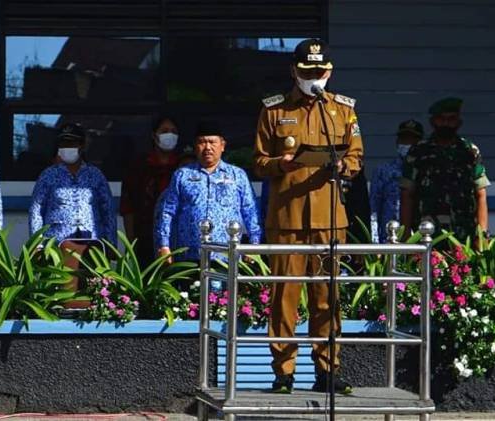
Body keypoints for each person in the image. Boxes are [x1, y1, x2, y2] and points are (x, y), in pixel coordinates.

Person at [254, 38, 363, 394]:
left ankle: (327, 370)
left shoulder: (343, 110)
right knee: (284, 297)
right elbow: (258, 161)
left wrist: (342, 165)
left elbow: (357, 158)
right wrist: (280, 163)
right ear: (293, 71)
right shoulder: (273, 110)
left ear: (329, 71)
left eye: (319, 71)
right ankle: (283, 373)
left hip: (329, 218)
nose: (314, 77)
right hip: (286, 219)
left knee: (327, 297)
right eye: (307, 72)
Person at [29, 123, 116, 308]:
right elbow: (36, 209)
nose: (68, 148)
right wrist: (37, 245)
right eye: (64, 144)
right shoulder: (48, 175)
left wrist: (111, 244)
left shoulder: (95, 175)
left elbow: (107, 209)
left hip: (92, 245)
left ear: (82, 146)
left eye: (73, 143)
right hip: (57, 245)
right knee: (60, 297)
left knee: (90, 295)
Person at [155, 121, 261, 264]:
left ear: (222, 145)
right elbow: (167, 212)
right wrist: (164, 245)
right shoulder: (182, 175)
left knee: (226, 287)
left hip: (226, 255)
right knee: (190, 287)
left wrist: (254, 244)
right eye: (202, 142)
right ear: (195, 146)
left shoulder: (237, 175)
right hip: (189, 255)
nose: (208, 147)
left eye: (212, 142)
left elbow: (250, 210)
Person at [400, 97, 490, 242]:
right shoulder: (418, 152)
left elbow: (481, 194)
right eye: (441, 119)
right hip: (426, 235)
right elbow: (407, 195)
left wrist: (482, 236)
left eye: (451, 119)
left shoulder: (470, 152)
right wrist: (405, 237)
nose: (446, 124)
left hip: (462, 236)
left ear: (459, 122)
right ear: (433, 122)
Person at [120, 116, 180, 263]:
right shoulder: (139, 167)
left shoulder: (184, 168)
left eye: (173, 131)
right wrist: (131, 243)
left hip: (177, 239)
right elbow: (128, 208)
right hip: (145, 237)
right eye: (164, 131)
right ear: (154, 136)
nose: (169, 135)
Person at [369, 119, 423, 243]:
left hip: (419, 236)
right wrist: (374, 242)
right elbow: (374, 209)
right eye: (404, 139)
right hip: (389, 238)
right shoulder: (383, 171)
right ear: (397, 141)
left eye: (412, 139)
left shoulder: (426, 171)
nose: (408, 143)